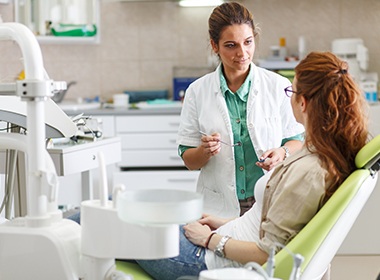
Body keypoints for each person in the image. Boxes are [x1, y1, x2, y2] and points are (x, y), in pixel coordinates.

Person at [135, 51, 369, 280]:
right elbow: (270, 225)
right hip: (223, 235)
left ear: (303, 102)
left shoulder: (309, 172)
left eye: (292, 91)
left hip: (210, 258)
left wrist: (208, 239)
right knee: (138, 213)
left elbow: (267, 254)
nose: (289, 97)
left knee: (118, 225)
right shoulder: (319, 154)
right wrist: (223, 224)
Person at [177, 2, 304, 218]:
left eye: (248, 42)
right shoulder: (197, 91)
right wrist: (203, 152)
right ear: (214, 46)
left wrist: (282, 152)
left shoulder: (277, 85)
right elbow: (189, 160)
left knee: (264, 252)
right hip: (218, 205)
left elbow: (297, 141)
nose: (242, 53)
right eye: (231, 45)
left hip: (268, 200)